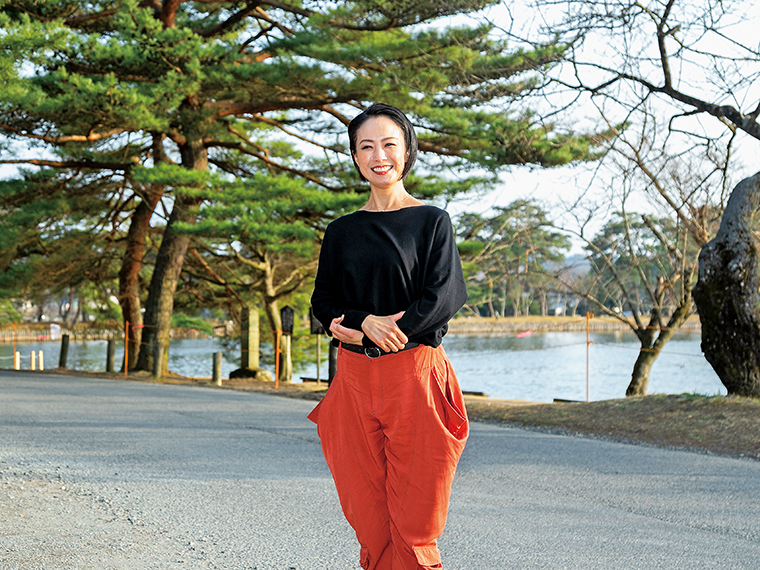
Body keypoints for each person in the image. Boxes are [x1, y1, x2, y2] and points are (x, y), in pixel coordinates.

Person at [308, 103, 469, 570]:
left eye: (389, 144)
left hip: (415, 377)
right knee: (370, 520)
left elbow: (441, 298)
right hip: (354, 383)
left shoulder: (431, 222)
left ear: (407, 150)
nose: (379, 155)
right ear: (356, 158)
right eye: (366, 146)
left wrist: (378, 329)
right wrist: (363, 321)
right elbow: (324, 303)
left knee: (417, 523)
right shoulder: (341, 232)